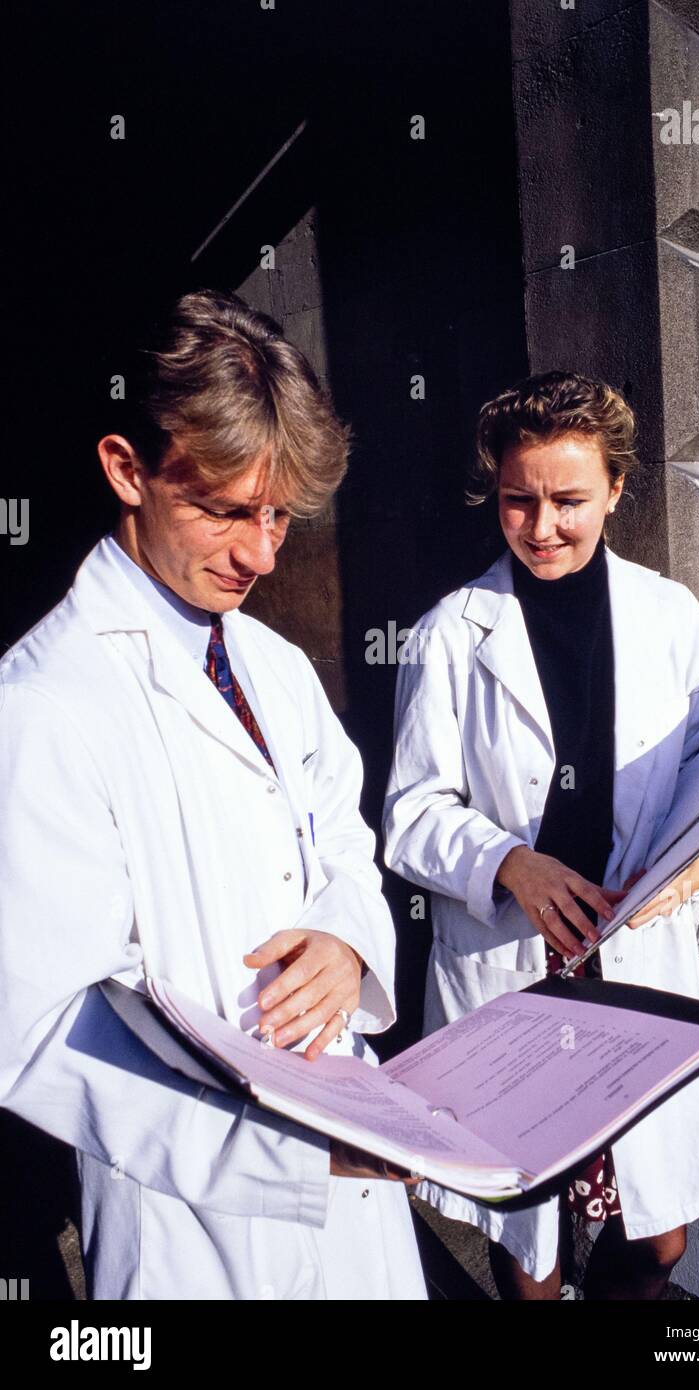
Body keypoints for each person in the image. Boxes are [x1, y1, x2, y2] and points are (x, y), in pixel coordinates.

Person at [0, 288, 427, 1301]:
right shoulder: (45, 702)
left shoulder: (273, 665)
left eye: (279, 514)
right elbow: (39, 1035)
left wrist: (348, 941)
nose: (262, 553)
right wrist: (284, 1159)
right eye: (228, 511)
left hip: (347, 1145)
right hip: (196, 1224)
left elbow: (344, 845)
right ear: (126, 470)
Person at [383, 370, 699, 1301]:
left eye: (568, 500)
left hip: (636, 961)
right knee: (529, 1238)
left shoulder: (671, 619)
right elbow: (410, 812)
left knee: (656, 1236)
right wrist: (507, 862)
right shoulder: (447, 634)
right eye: (518, 500)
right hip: (518, 967)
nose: (542, 527)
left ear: (616, 490)